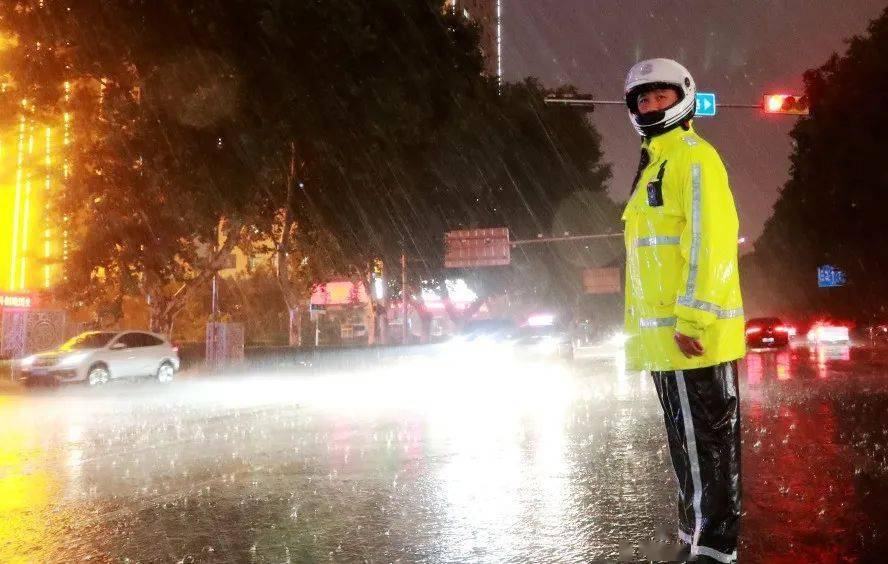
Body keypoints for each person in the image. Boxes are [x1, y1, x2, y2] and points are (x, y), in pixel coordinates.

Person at [621, 58, 746, 563]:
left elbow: (710, 244)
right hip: (667, 342)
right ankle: (698, 536)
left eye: (660, 96)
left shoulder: (694, 158)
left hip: (690, 337)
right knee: (691, 450)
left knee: (708, 449)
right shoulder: (657, 161)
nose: (651, 106)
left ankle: (714, 549)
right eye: (642, 100)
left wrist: (693, 318)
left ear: (683, 97)